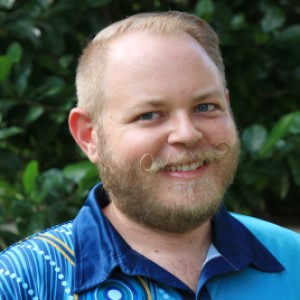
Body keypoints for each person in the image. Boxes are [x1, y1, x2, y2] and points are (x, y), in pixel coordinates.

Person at [0, 11, 299, 300]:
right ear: (89, 136)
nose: (187, 133)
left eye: (205, 106)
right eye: (149, 114)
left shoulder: (292, 259)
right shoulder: (22, 284)